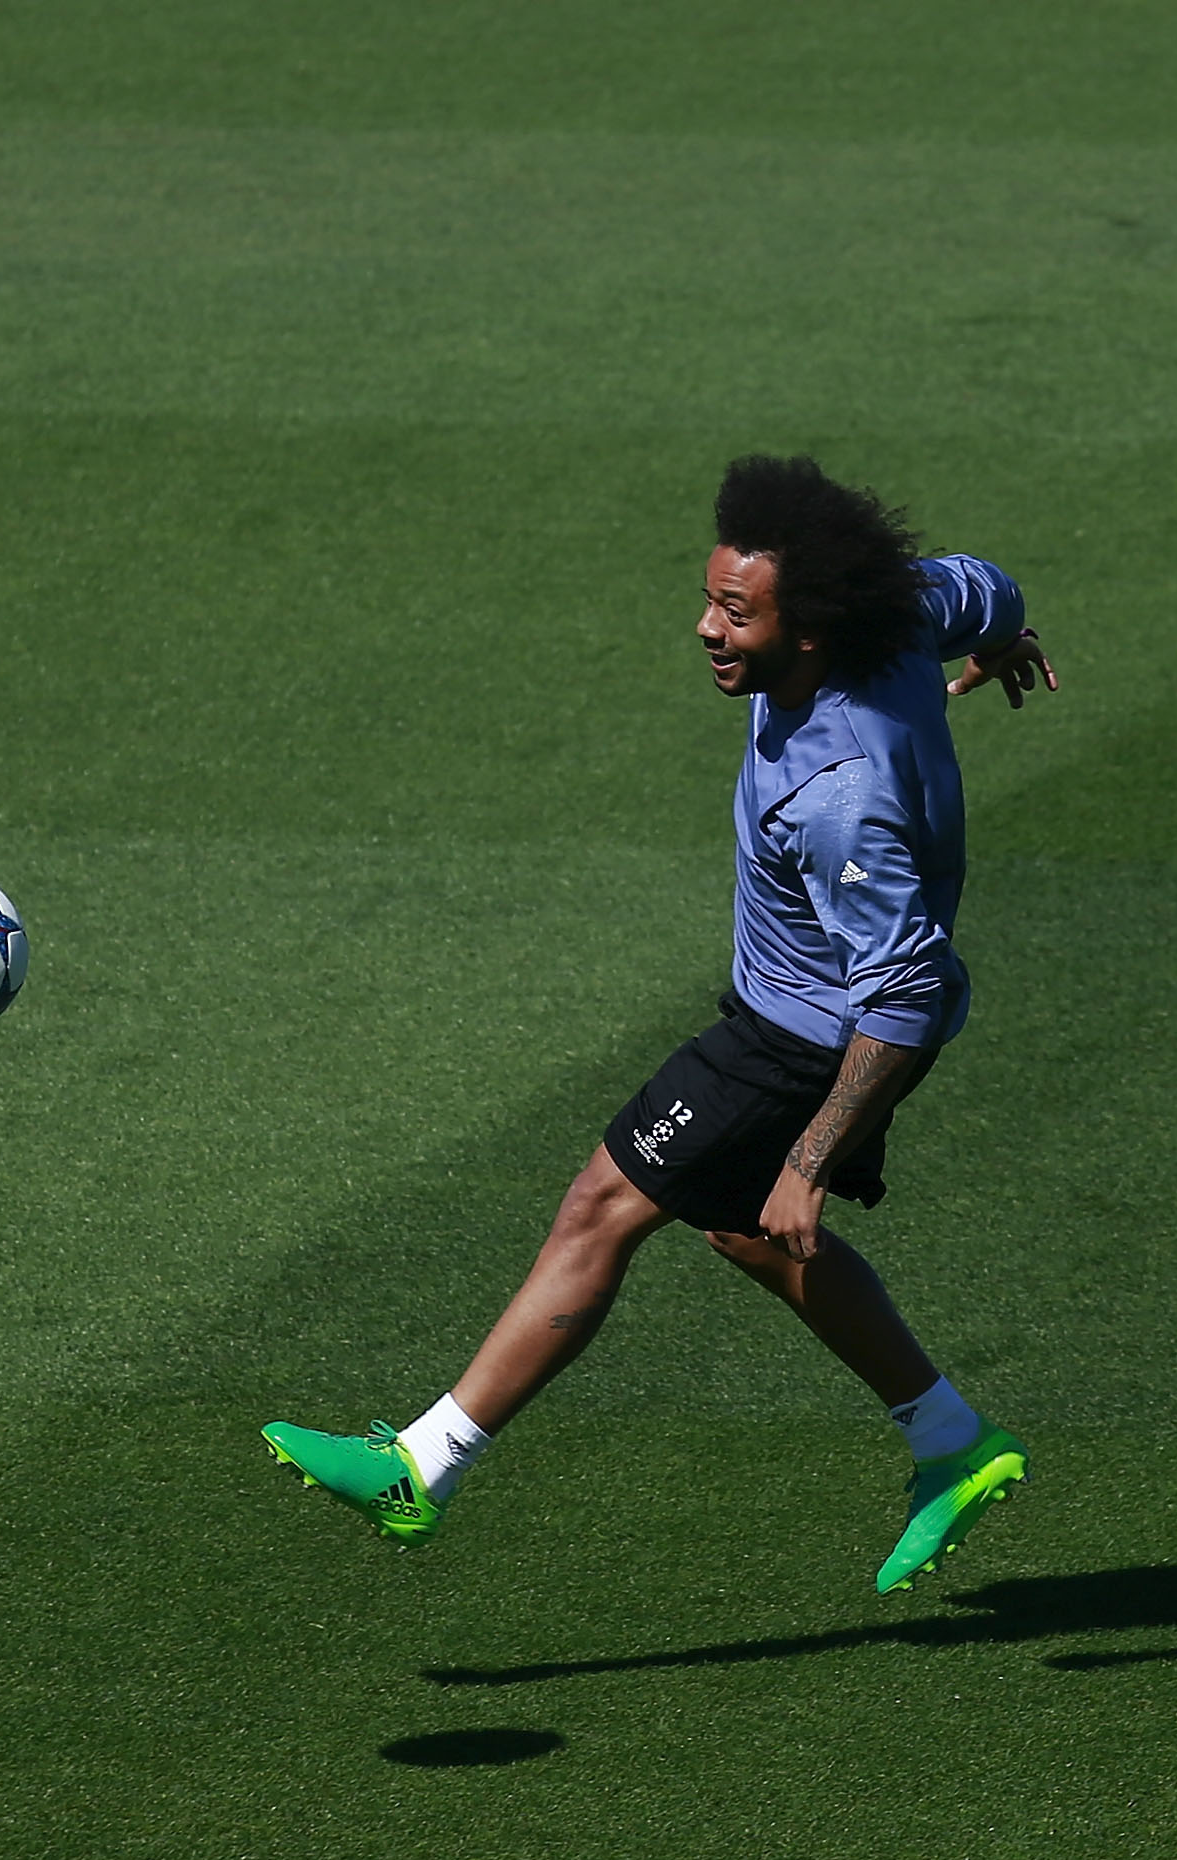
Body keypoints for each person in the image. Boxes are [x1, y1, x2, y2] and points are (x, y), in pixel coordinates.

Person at [262, 455, 1057, 1592]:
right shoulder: (904, 610)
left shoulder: (840, 795)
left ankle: (420, 1464)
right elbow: (986, 585)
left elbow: (909, 990)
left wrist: (811, 1155)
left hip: (802, 1039)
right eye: (709, 597)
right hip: (798, 1013)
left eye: (738, 611)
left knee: (603, 1202)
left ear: (813, 628)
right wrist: (1002, 636)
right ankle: (951, 1441)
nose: (706, 627)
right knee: (737, 1227)